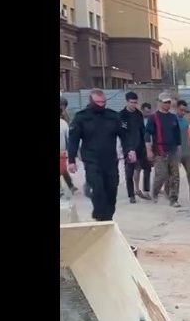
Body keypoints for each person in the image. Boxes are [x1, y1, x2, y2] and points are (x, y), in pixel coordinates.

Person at [67, 88, 139, 221]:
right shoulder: (81, 117)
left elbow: (125, 135)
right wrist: (71, 160)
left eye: (103, 102)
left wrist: (130, 150)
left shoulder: (113, 116)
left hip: (110, 161)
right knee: (98, 189)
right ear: (91, 101)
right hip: (92, 161)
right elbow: (73, 140)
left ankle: (108, 217)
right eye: (98, 102)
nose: (101, 105)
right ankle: (101, 217)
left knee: (111, 191)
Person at [145, 95, 183, 208]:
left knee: (175, 176)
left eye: (169, 102)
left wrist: (179, 150)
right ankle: (155, 192)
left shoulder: (173, 117)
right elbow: (147, 135)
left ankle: (173, 198)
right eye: (165, 102)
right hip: (160, 151)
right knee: (161, 175)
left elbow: (177, 135)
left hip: (173, 150)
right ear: (160, 102)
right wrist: (149, 150)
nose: (167, 104)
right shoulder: (154, 117)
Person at [120, 92, 148, 203]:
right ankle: (131, 195)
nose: (133, 105)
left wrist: (146, 144)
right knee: (129, 173)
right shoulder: (122, 115)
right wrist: (129, 149)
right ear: (127, 102)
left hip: (140, 146)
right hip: (129, 148)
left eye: (135, 102)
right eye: (132, 102)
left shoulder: (138, 114)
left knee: (146, 168)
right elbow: (123, 134)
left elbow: (142, 130)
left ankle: (144, 191)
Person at [175, 99, 190, 203]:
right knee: (174, 175)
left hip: (187, 151)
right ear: (177, 108)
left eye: (185, 110)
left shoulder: (185, 122)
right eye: (181, 110)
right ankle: (171, 195)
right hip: (176, 152)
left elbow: (189, 137)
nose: (183, 112)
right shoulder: (172, 120)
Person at [137, 101, 155, 198]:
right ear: (142, 110)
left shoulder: (152, 120)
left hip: (152, 146)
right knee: (140, 169)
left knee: (151, 169)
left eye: (149, 111)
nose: (148, 113)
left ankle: (149, 189)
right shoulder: (138, 120)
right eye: (146, 111)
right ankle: (140, 189)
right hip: (141, 147)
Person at [60, 97, 77, 196]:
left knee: (62, 168)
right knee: (62, 169)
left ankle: (70, 186)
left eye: (64, 106)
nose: (64, 108)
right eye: (63, 106)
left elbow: (68, 129)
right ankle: (69, 186)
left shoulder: (65, 116)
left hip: (62, 146)